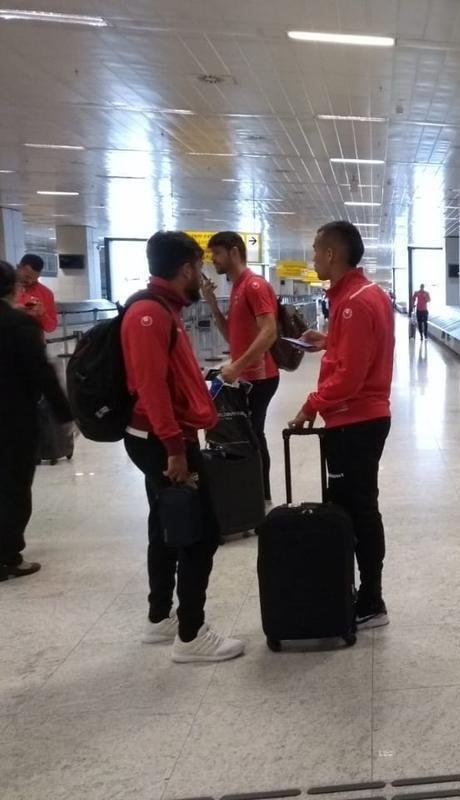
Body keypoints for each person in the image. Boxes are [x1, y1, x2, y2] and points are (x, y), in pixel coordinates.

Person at [122, 231, 244, 662]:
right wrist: (175, 449)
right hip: (162, 440)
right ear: (186, 269)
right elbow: (152, 388)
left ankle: (160, 618)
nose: (203, 276)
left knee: (164, 523)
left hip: (160, 436)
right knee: (200, 532)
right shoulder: (150, 315)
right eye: (199, 267)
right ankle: (191, 636)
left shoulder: (161, 310)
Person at [289, 221, 394, 629]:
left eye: (316, 251)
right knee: (356, 506)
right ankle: (364, 594)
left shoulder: (352, 302)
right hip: (364, 418)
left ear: (332, 254)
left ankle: (371, 600)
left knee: (359, 509)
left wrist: (311, 404)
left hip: (355, 421)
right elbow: (359, 352)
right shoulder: (364, 295)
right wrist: (328, 342)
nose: (313, 258)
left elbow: (350, 378)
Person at [0, 261, 73, 580]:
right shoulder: (20, 324)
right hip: (14, 418)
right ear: (12, 287)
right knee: (14, 485)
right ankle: (8, 555)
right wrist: (65, 413)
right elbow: (41, 374)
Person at [202, 231, 280, 504]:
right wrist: (212, 305)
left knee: (252, 432)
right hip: (245, 374)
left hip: (260, 376)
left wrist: (238, 367)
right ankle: (255, 492)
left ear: (235, 252)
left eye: (218, 254)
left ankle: (262, 494)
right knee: (248, 432)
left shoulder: (254, 286)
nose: (214, 261)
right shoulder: (237, 287)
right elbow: (231, 337)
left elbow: (268, 331)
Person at [15, 253, 58, 334]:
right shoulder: (5, 285)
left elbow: (51, 327)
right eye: (27, 276)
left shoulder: (46, 293)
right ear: (18, 267)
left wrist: (42, 315)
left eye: (34, 278)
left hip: (34, 343)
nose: (29, 281)